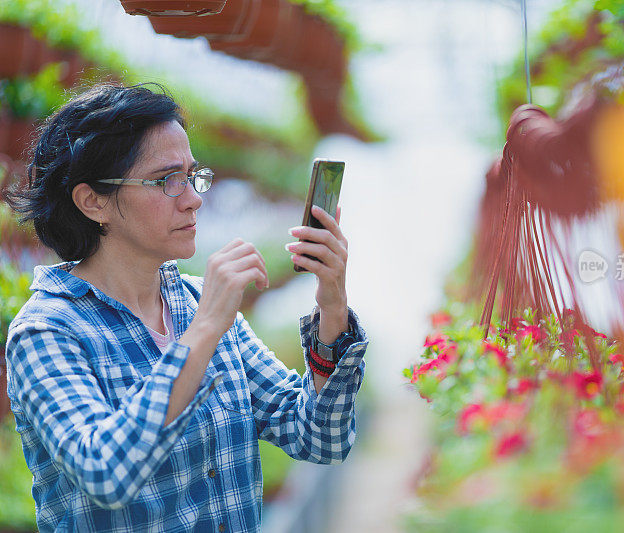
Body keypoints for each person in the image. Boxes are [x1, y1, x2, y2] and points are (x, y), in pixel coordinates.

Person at [1, 82, 368, 532]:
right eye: (166, 180)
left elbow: (319, 437)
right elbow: (104, 471)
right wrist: (207, 326)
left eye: (193, 175)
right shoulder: (48, 331)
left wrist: (331, 305)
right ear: (93, 201)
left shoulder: (194, 300)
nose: (194, 197)